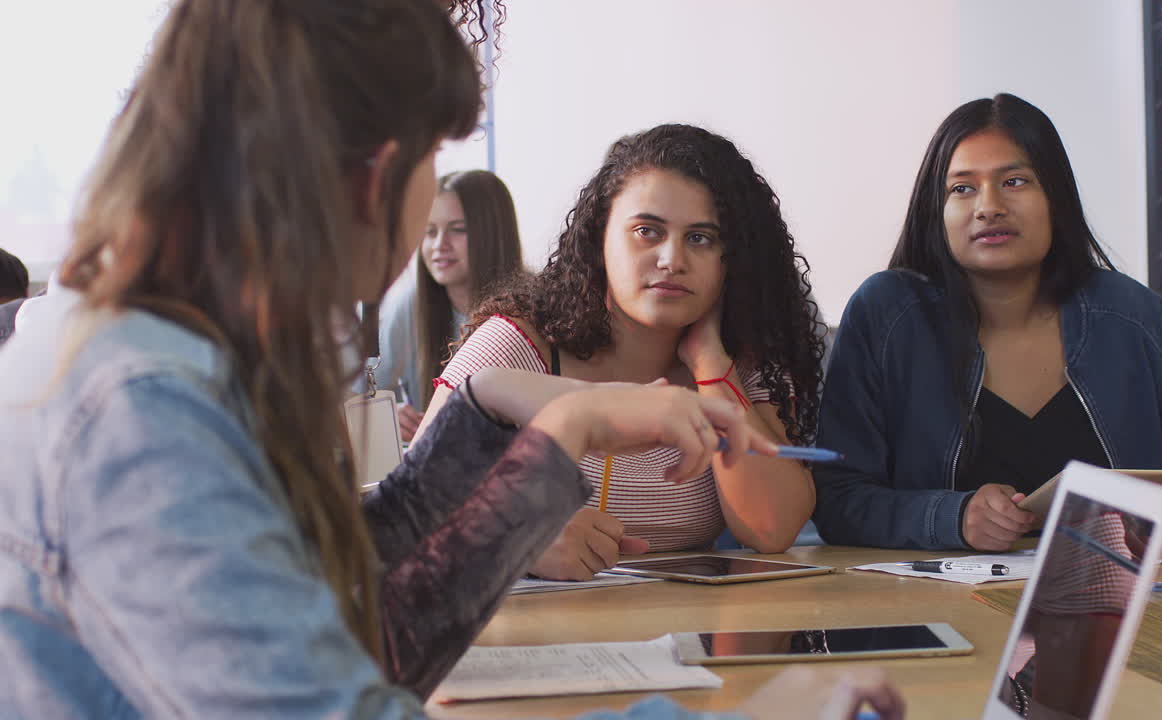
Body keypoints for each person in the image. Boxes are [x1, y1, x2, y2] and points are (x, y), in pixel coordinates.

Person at [0, 2, 903, 718]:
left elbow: (362, 597)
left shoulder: (160, 355)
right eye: (436, 160)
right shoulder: (145, 409)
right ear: (372, 175)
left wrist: (521, 416)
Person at [814, 93, 1162, 553]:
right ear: (936, 211)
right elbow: (839, 498)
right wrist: (952, 518)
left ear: (1055, 198)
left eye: (1015, 181)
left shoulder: (1130, 314)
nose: (988, 206)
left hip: (1116, 605)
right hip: (936, 613)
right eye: (962, 188)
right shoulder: (888, 315)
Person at [413, 123, 827, 580]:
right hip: (536, 639)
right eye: (647, 231)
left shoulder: (742, 365)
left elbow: (772, 530)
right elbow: (413, 504)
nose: (672, 259)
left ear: (734, 260)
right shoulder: (516, 343)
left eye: (701, 238)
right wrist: (512, 536)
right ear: (599, 238)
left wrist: (711, 366)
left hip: (684, 639)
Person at [370, 170, 523, 441]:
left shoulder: (534, 308)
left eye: (457, 229)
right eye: (429, 232)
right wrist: (387, 412)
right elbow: (362, 394)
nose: (440, 245)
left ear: (493, 233)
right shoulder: (408, 306)